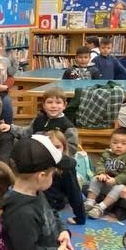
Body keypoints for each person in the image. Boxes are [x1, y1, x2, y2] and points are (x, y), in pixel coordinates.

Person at [30, 88, 88, 225]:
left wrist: (59, 156)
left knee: (73, 191)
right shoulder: (39, 120)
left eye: (58, 102)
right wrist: (10, 128)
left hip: (62, 166)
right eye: (49, 102)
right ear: (43, 105)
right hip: (43, 164)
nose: (53, 106)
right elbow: (27, 132)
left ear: (64, 105)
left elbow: (72, 147)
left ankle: (80, 216)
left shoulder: (67, 125)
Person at [85, 127, 126, 217]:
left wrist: (116, 180)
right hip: (106, 181)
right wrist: (101, 173)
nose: (118, 146)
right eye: (115, 143)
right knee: (95, 179)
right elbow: (100, 164)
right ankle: (89, 203)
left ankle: (100, 208)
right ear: (110, 144)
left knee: (119, 188)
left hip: (120, 185)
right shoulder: (107, 153)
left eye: (123, 143)